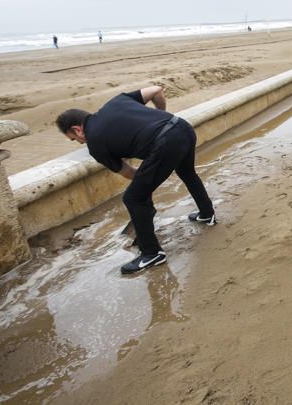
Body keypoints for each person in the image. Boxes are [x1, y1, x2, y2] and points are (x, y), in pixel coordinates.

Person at [56, 86, 216, 274]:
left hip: (166, 142)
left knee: (133, 198)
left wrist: (145, 187)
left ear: (77, 129)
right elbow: (156, 90)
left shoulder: (95, 144)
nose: (80, 143)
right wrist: (161, 117)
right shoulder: (116, 102)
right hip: (181, 126)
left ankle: (152, 253)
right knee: (187, 173)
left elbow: (128, 172)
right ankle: (207, 214)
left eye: (75, 139)